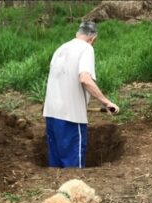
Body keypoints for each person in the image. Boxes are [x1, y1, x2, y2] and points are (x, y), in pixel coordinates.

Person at [43, 20, 119, 169]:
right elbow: (84, 78)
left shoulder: (61, 48)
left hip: (51, 114)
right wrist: (106, 102)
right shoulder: (86, 49)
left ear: (77, 34)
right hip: (70, 117)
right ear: (93, 38)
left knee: (55, 167)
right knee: (73, 170)